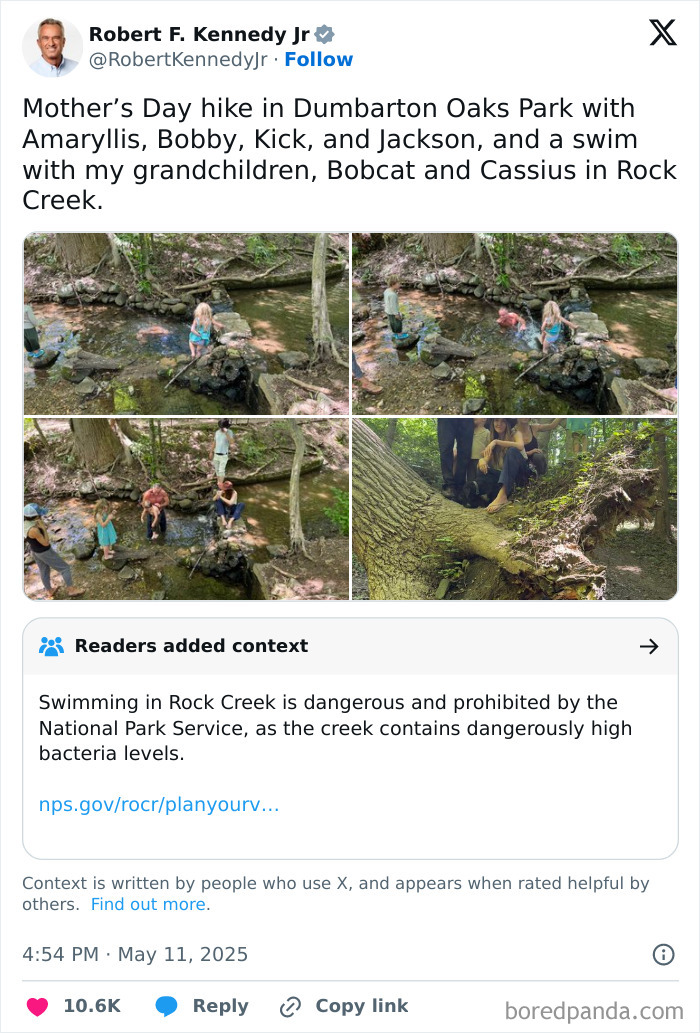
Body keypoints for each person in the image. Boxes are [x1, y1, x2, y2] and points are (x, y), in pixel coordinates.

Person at [24, 504, 84, 598]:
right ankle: (71, 590)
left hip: (35, 551)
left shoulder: (25, 524)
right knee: (65, 568)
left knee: (44, 571)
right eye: (39, 514)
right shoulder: (34, 530)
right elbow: (46, 543)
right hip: (44, 551)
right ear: (35, 516)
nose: (41, 516)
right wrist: (43, 528)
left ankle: (50, 591)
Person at [475, 420, 531, 514]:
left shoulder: (516, 434)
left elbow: (520, 446)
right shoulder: (493, 442)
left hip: (522, 475)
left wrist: (497, 442)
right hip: (507, 478)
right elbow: (485, 459)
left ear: (507, 423)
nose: (499, 424)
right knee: (481, 468)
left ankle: (502, 496)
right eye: (496, 420)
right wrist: (481, 461)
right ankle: (487, 497)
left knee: (512, 451)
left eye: (503, 421)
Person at [437, 418, 474, 501]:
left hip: (467, 420)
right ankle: (449, 485)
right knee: (445, 448)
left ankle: (460, 487)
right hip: (446, 420)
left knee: (465, 452)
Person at [212, 419, 235, 486]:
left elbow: (232, 442)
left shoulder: (230, 432)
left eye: (222, 427)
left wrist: (226, 433)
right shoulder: (217, 432)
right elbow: (214, 442)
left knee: (221, 471)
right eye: (221, 427)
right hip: (216, 454)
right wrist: (211, 452)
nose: (221, 428)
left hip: (223, 455)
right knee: (217, 471)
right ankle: (219, 483)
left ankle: (220, 485)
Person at [24, 291, 44, 358]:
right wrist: (38, 325)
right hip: (29, 327)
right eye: (26, 296)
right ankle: (36, 352)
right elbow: (32, 319)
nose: (27, 298)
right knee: (33, 339)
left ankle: (30, 352)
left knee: (25, 340)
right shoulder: (27, 307)